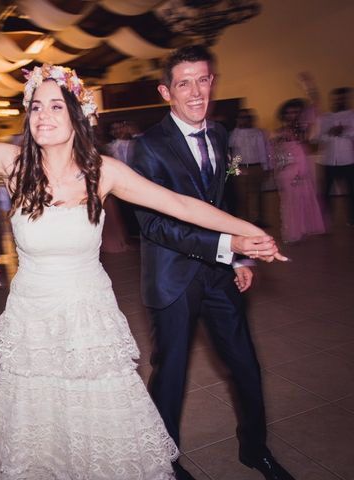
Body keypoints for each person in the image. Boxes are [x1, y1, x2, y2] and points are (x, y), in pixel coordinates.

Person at [0, 61, 285, 479]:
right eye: (36, 107)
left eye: (55, 106)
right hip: (34, 320)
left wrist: (248, 233)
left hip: (88, 318)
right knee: (40, 426)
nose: (43, 116)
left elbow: (180, 205)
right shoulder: (13, 165)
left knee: (98, 422)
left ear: (78, 114)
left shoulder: (104, 173)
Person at [131, 46, 294, 480]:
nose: (196, 91)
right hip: (172, 279)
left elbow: (224, 201)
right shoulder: (145, 147)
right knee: (171, 374)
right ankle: (164, 462)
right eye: (184, 83)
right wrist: (229, 245)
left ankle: (255, 450)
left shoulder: (221, 134)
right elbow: (154, 227)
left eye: (203, 79)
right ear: (167, 91)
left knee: (245, 363)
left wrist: (239, 256)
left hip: (222, 273)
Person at [272, 99, 325, 243]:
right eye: (288, 112)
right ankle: (292, 232)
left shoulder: (303, 129)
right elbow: (277, 155)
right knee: (290, 201)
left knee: (304, 198)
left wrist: (309, 86)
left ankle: (303, 229)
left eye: (295, 112)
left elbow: (315, 108)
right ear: (283, 115)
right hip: (288, 171)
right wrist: (281, 172)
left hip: (303, 169)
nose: (292, 115)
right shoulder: (279, 132)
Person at [317, 87, 354, 226]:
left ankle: (352, 218)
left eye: (342, 98)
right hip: (329, 160)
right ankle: (324, 220)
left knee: (351, 191)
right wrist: (330, 133)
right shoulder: (325, 117)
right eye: (336, 99)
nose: (339, 101)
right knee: (325, 192)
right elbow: (320, 137)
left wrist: (344, 131)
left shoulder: (351, 115)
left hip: (348, 160)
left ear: (346, 99)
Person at [229, 108, 271, 226]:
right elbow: (231, 145)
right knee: (241, 196)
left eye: (246, 117)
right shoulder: (234, 134)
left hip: (256, 166)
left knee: (257, 195)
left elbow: (262, 150)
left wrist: (266, 167)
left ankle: (258, 220)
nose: (244, 120)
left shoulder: (258, 132)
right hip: (240, 167)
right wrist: (238, 126)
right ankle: (244, 221)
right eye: (241, 117)